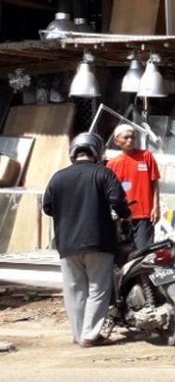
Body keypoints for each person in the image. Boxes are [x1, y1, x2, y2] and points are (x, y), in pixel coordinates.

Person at [42, 132, 131, 347]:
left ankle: (77, 334)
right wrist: (124, 213)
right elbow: (118, 201)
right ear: (97, 152)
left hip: (67, 244)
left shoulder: (58, 177)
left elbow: (47, 208)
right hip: (99, 242)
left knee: (74, 291)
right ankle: (90, 335)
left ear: (73, 152)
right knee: (98, 290)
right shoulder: (104, 174)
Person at [107, 124, 160, 251]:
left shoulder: (146, 156)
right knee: (124, 255)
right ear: (116, 141)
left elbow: (155, 182)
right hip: (122, 217)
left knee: (143, 255)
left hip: (144, 215)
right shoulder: (112, 164)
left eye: (132, 137)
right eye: (125, 138)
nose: (130, 140)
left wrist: (156, 206)